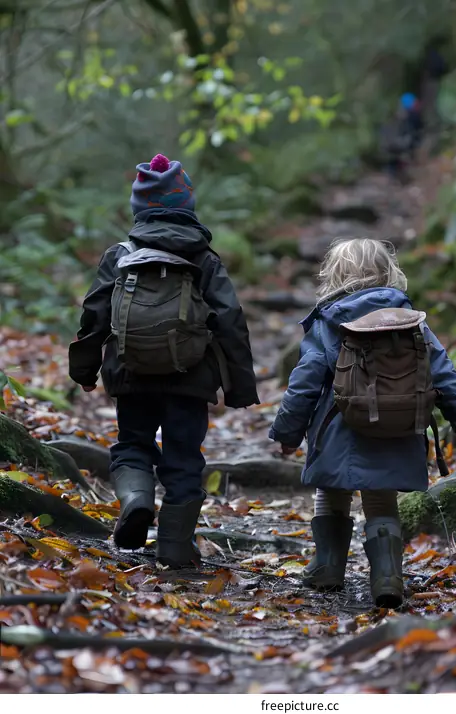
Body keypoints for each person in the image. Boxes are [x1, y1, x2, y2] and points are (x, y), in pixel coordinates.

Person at [268, 238, 456, 609]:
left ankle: (327, 567)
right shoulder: (412, 322)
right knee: (381, 501)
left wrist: (288, 432)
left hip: (338, 429)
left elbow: (304, 381)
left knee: (331, 493)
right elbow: (445, 376)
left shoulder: (329, 320)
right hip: (398, 427)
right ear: (389, 272)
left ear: (335, 276)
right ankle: (387, 578)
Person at [69, 154, 259, 568]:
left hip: (129, 371)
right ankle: (174, 545)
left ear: (139, 207)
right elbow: (230, 323)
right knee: (184, 456)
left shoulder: (119, 254)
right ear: (186, 205)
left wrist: (83, 370)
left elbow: (95, 315)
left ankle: (136, 501)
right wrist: (240, 387)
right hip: (191, 378)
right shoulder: (204, 259)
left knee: (132, 443)